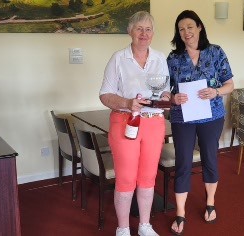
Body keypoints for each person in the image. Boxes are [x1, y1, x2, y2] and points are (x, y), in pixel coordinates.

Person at [99, 11, 170, 236]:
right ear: (130, 31)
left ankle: (144, 226)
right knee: (127, 178)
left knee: (148, 176)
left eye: (148, 29)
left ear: (153, 33)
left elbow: (164, 91)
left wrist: (166, 98)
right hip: (125, 121)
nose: (144, 33)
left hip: (154, 123)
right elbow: (104, 95)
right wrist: (127, 102)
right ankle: (122, 229)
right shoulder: (118, 58)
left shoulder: (160, 58)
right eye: (139, 29)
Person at [167, 10, 235, 235]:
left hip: (212, 117)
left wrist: (216, 92)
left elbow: (229, 84)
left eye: (189, 27)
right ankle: (180, 213)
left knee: (209, 158)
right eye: (181, 29)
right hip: (182, 118)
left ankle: (210, 203)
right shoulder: (173, 58)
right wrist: (173, 98)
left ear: (199, 27)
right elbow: (164, 92)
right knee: (183, 162)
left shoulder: (215, 52)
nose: (186, 32)